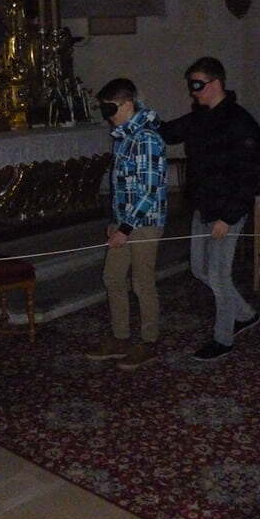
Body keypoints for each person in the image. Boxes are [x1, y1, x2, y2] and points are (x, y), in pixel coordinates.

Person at [159, 57, 260, 361]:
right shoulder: (199, 118)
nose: (193, 91)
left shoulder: (241, 122)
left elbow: (248, 176)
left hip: (227, 211)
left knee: (218, 276)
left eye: (198, 85)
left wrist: (227, 218)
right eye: (191, 85)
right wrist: (136, 116)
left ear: (216, 83)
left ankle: (223, 338)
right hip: (203, 206)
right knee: (199, 269)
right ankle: (246, 314)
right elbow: (168, 132)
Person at [85, 79, 167, 370]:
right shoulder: (123, 137)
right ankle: (120, 338)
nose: (107, 116)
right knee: (113, 277)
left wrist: (125, 228)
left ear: (128, 104)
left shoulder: (146, 139)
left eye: (111, 109)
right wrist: (115, 222)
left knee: (142, 282)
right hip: (125, 221)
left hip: (144, 223)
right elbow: (121, 188)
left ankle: (149, 343)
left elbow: (149, 191)